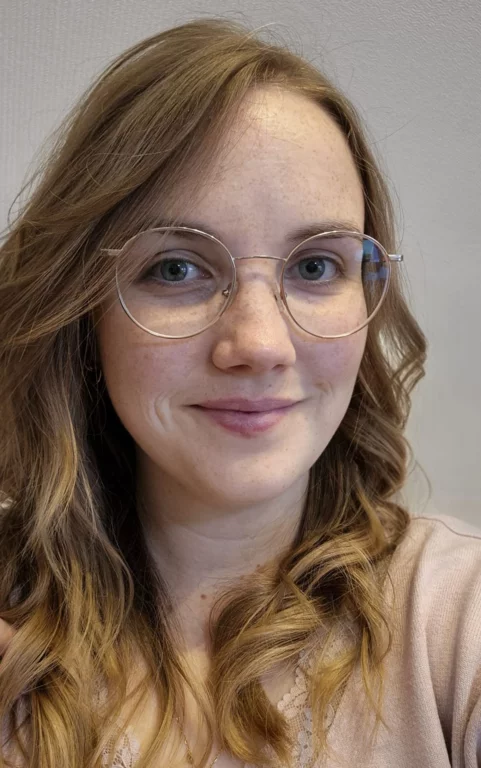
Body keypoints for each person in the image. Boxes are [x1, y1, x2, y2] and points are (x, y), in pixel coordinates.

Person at [0, 16, 480, 768]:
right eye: (177, 268)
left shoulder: (455, 622)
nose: (258, 344)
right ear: (83, 308)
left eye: (315, 266)